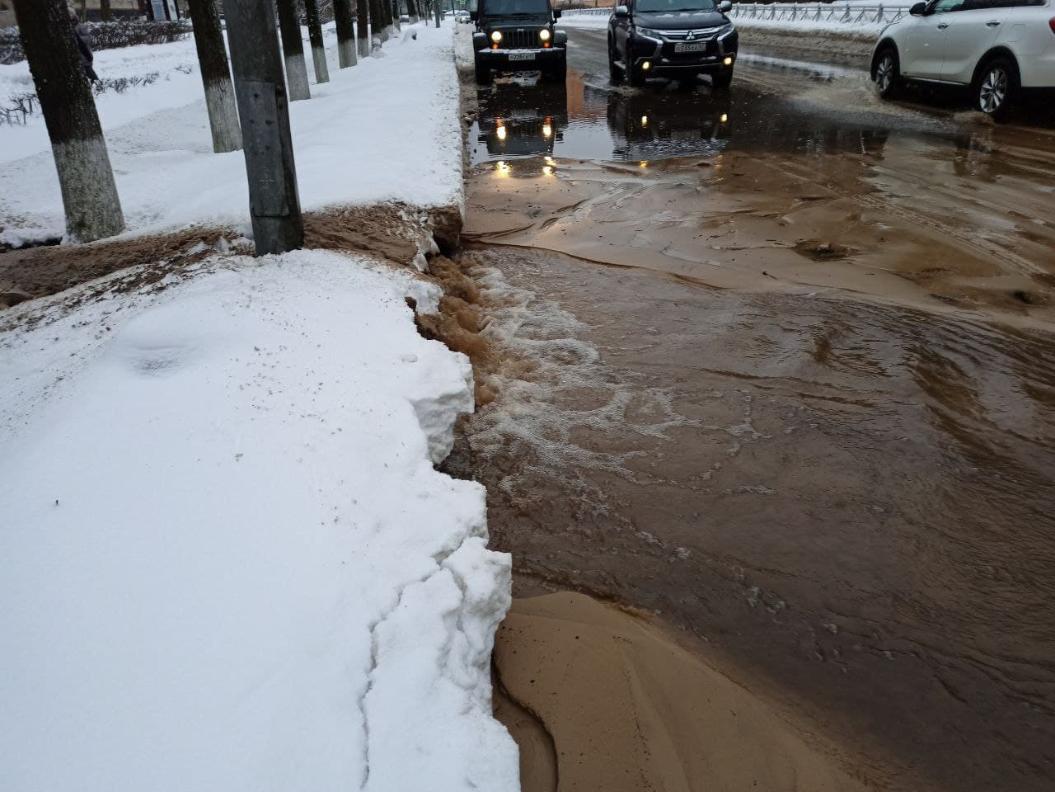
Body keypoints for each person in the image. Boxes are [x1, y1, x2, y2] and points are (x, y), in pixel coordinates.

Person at [68, 6, 98, 83]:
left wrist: (76, 39)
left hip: (84, 54)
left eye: (70, 14)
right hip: (73, 56)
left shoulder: (81, 26)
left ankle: (97, 85)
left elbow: (88, 38)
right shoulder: (66, 26)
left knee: (89, 72)